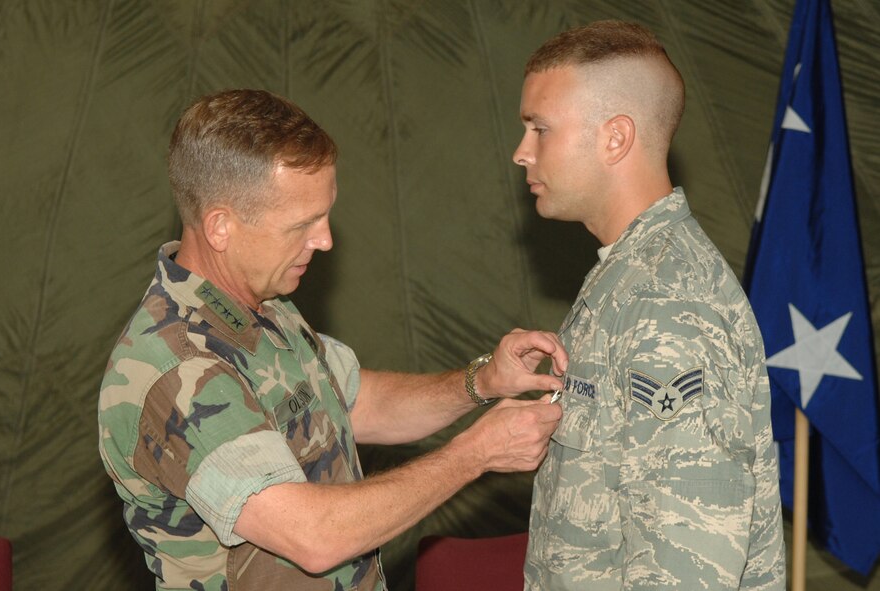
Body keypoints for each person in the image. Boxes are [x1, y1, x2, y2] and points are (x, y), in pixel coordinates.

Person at [98, 89, 566, 590]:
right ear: (220, 227)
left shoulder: (262, 304)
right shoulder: (176, 366)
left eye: (325, 215)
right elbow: (313, 537)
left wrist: (483, 382)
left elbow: (361, 403)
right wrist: (476, 452)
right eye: (302, 224)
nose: (325, 240)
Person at [513, 21, 785, 590]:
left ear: (614, 138)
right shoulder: (627, 275)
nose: (521, 153)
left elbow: (687, 571)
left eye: (540, 129)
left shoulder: (666, 302)